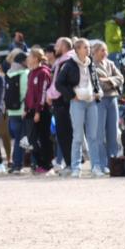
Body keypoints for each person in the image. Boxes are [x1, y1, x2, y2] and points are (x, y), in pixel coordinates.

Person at [55, 38, 106, 177]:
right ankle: (76, 168)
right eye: (85, 47)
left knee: (93, 136)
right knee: (77, 136)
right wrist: (72, 95)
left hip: (91, 102)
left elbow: (95, 81)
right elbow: (59, 84)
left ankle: (96, 167)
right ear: (77, 49)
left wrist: (97, 93)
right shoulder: (69, 65)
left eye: (89, 47)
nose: (88, 49)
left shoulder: (91, 64)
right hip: (77, 103)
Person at [91, 40, 124, 162]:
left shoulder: (110, 63)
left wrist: (108, 80)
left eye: (106, 50)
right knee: (99, 133)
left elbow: (121, 78)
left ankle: (114, 161)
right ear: (94, 52)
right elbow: (99, 84)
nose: (105, 52)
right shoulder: (91, 66)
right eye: (102, 50)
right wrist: (113, 82)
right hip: (99, 100)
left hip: (113, 99)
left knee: (113, 131)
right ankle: (102, 162)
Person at [24, 47, 54, 173]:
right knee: (30, 140)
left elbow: (42, 93)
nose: (27, 59)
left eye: (29, 56)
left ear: (36, 58)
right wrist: (26, 108)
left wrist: (38, 111)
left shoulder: (43, 72)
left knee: (43, 138)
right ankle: (39, 163)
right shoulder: (31, 72)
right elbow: (29, 92)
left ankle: (47, 165)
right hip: (31, 110)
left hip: (41, 111)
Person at [47, 37, 75, 174]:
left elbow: (58, 84)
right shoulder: (62, 60)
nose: (55, 48)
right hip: (62, 101)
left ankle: (71, 164)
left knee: (65, 134)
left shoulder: (66, 61)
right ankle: (71, 162)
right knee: (64, 134)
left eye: (57, 45)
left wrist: (50, 94)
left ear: (64, 46)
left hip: (63, 101)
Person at [4, 50, 30, 173]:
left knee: (18, 140)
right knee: (23, 140)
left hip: (12, 112)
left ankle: (16, 163)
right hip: (23, 111)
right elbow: (26, 93)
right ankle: (18, 164)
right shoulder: (25, 73)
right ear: (24, 61)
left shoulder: (9, 73)